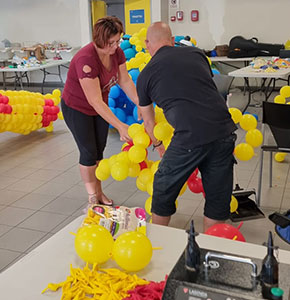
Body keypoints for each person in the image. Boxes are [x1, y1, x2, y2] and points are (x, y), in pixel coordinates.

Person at [137, 22, 237, 232]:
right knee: (217, 196)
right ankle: (211, 248)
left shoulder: (145, 75)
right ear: (172, 40)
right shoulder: (196, 54)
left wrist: (158, 145)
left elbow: (148, 121)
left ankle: (160, 238)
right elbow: (203, 89)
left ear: (147, 44)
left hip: (190, 137)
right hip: (223, 130)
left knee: (163, 185)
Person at [61, 16, 139, 208]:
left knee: (99, 150)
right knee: (88, 152)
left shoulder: (117, 53)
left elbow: (125, 80)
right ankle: (92, 195)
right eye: (110, 43)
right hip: (77, 107)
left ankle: (99, 191)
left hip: (99, 107)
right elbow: (94, 100)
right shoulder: (86, 59)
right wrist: (121, 126)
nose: (115, 47)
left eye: (117, 41)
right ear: (99, 40)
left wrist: (140, 103)